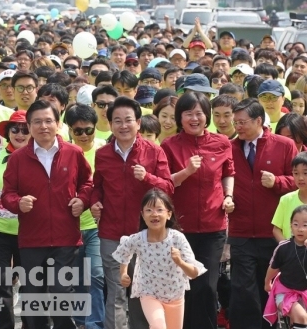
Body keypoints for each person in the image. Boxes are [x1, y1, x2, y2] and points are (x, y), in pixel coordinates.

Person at [1, 99, 93, 329]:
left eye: (49, 121)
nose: (44, 126)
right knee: (34, 296)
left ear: (58, 124)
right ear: (30, 126)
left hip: (66, 237)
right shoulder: (18, 159)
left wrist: (82, 200)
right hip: (32, 239)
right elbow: (7, 194)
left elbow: (88, 184)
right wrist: (18, 202)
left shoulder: (74, 153)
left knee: (61, 293)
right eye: (37, 122)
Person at [90, 96, 173, 329]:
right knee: (115, 290)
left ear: (138, 122)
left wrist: (147, 178)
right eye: (117, 121)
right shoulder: (103, 154)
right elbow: (97, 187)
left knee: (142, 291)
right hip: (111, 232)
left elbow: (168, 187)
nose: (123, 125)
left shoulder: (154, 151)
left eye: (128, 120)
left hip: (146, 233)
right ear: (109, 124)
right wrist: (94, 202)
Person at [160, 92, 235, 329]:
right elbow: (164, 182)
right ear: (179, 117)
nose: (195, 118)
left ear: (207, 116)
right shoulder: (169, 145)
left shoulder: (221, 142)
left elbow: (228, 172)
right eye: (188, 113)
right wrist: (186, 172)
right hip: (180, 228)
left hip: (213, 226)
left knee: (206, 286)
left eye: (199, 113)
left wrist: (229, 196)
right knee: (183, 285)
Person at [228, 98, 297, 329]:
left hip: (273, 232)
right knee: (243, 290)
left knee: (269, 287)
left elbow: (299, 181)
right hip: (241, 231)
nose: (237, 126)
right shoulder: (229, 147)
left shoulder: (284, 145)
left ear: (259, 120)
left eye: (242, 122)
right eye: (235, 121)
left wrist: (277, 181)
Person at [113, 189, 206, 329]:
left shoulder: (177, 238)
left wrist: (180, 262)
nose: (154, 214)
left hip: (175, 294)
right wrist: (123, 274)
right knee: (158, 325)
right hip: (148, 292)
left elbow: (193, 273)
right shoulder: (138, 239)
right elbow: (123, 253)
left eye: (159, 209)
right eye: (149, 210)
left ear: (169, 214)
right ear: (142, 215)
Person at [0, 110, 31, 329]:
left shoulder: (40, 158)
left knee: (32, 286)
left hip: (31, 232)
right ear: (7, 132)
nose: (20, 134)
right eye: (15, 129)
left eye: (25, 129)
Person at [64, 103, 106, 329]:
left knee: (96, 275)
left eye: (88, 130)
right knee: (76, 277)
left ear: (95, 128)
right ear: (69, 130)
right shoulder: (62, 152)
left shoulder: (104, 151)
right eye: (77, 130)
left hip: (98, 227)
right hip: (69, 227)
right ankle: (80, 321)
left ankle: (94, 325)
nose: (83, 135)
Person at [263, 205, 307, 327]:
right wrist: (267, 283)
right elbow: (273, 268)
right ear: (291, 226)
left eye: (305, 225)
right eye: (296, 224)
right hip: (285, 292)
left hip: (304, 292)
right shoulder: (284, 247)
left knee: (298, 320)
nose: (300, 229)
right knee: (301, 316)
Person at [272, 152, 307, 242]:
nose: (300, 178)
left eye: (305, 173)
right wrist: (287, 248)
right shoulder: (286, 199)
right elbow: (276, 229)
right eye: (296, 173)